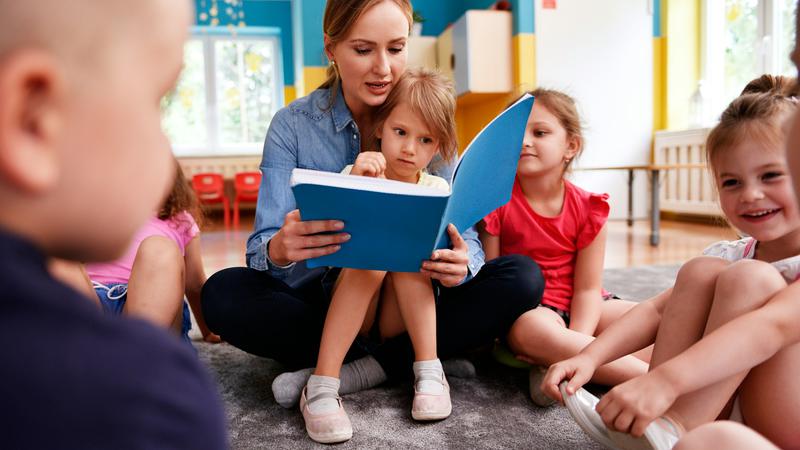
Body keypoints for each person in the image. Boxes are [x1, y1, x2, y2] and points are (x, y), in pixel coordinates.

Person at [200, 0, 543, 420]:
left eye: (396, 49)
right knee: (223, 293)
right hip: (327, 304)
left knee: (522, 278)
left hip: (414, 299)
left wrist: (462, 262)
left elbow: (462, 227)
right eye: (363, 50)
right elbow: (260, 253)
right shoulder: (292, 126)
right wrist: (281, 248)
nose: (383, 68)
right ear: (331, 49)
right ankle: (401, 361)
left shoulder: (426, 114)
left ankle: (359, 369)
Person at [0, 0, 226, 447]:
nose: (163, 142)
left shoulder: (173, 226)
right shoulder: (160, 408)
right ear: (33, 121)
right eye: (154, 100)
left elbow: (196, 283)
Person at [542, 75, 800, 450]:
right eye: (731, 183)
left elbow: (770, 328)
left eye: (771, 175)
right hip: (734, 411)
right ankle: (667, 426)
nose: (751, 194)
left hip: (786, 427)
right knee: (699, 272)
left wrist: (664, 382)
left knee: (751, 281)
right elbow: (657, 311)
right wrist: (589, 358)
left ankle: (673, 424)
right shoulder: (735, 255)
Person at [301, 68, 458, 443]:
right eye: (400, 133)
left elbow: (445, 247)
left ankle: (429, 370)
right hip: (356, 303)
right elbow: (337, 237)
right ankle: (321, 385)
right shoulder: (356, 172)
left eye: (424, 140)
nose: (409, 149)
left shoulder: (436, 187)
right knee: (371, 261)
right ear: (381, 128)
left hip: (398, 316)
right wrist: (358, 180)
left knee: (413, 257)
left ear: (435, 148)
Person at [479, 88, 648, 407]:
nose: (525, 141)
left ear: (571, 146)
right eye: (517, 133)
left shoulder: (589, 207)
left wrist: (579, 342)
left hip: (586, 305)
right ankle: (648, 377)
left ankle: (560, 359)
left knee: (656, 323)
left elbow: (587, 289)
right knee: (533, 332)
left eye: (540, 132)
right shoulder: (497, 201)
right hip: (533, 313)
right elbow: (494, 281)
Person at [85, 162, 222, 344]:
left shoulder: (181, 221)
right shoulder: (98, 213)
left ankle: (141, 356)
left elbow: (195, 285)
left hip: (151, 304)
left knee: (158, 249)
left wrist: (208, 330)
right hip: (89, 300)